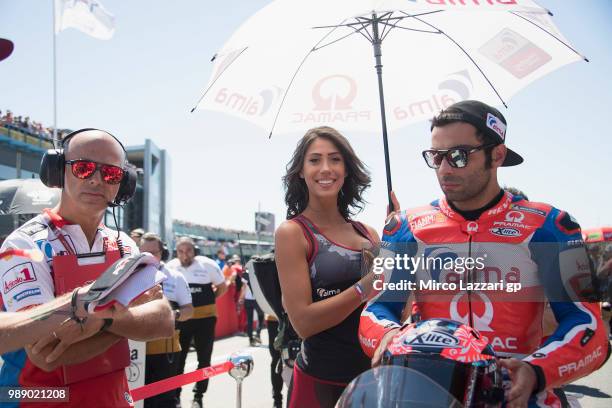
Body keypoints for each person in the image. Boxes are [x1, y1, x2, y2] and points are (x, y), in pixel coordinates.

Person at [359, 101, 609, 408]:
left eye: (459, 156)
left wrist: (537, 371)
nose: (445, 169)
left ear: (497, 155)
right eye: (436, 157)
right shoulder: (404, 228)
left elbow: (589, 327)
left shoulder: (551, 226)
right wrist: (386, 335)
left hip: (517, 395)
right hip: (430, 394)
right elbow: (376, 310)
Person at [0, 128, 174, 407]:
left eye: (111, 174)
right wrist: (126, 322)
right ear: (57, 170)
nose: (96, 180)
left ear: (123, 183)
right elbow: (47, 353)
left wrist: (102, 320)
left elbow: (164, 320)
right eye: (83, 168)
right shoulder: (22, 244)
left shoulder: (124, 244)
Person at [274, 126, 379, 408]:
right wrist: (366, 285)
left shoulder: (369, 233)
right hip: (319, 384)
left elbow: (396, 307)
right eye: (314, 160)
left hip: (373, 380)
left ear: (346, 169)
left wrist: (399, 239)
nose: (325, 168)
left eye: (335, 159)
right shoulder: (292, 233)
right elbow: (304, 323)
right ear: (300, 171)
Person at [167, 237, 228, 408]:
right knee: (178, 359)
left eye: (188, 251)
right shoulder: (171, 267)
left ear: (194, 251)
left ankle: (198, 396)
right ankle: (175, 396)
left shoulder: (207, 264)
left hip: (206, 320)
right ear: (176, 252)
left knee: (204, 359)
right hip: (182, 320)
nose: (185, 254)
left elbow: (222, 287)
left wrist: (208, 302)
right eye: (181, 251)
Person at [140, 232, 194, 408]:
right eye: (143, 252)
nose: (148, 257)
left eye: (153, 253)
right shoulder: (129, 275)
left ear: (162, 253)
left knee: (165, 401)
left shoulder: (176, 277)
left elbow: (189, 311)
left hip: (166, 350)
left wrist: (174, 314)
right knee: (139, 400)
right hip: (135, 351)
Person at [237, 257, 264, 347]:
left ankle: (251, 339)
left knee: (249, 320)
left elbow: (244, 288)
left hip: (248, 300)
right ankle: (258, 333)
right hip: (257, 299)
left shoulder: (245, 274)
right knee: (261, 316)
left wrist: (241, 298)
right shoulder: (259, 272)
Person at [266, 314, 284, 408]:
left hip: (294, 317)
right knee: (276, 359)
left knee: (296, 356)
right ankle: (277, 400)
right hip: (274, 319)